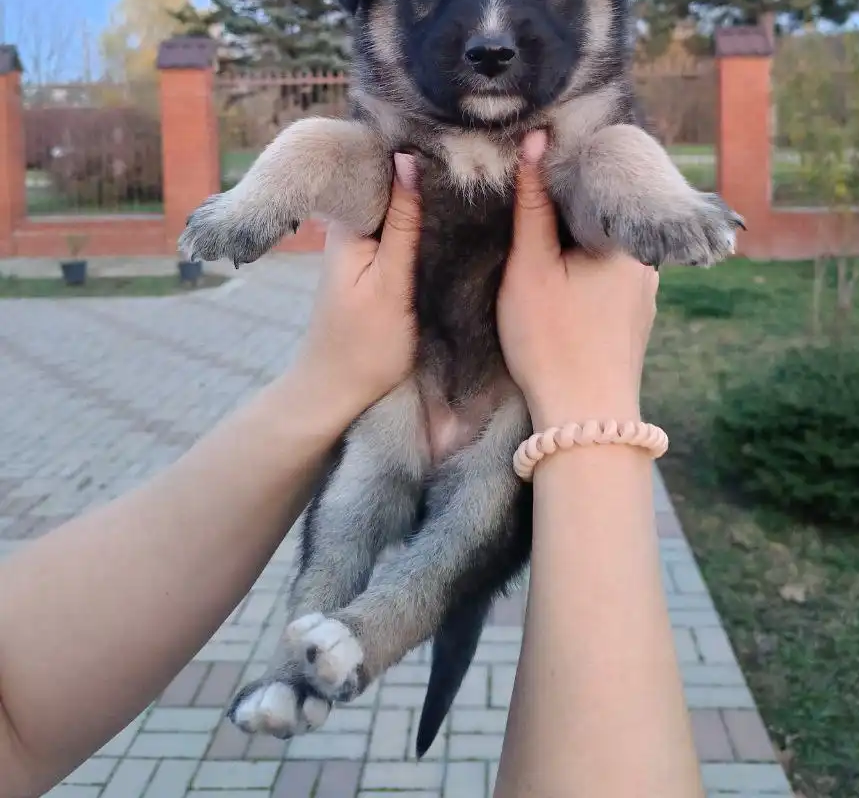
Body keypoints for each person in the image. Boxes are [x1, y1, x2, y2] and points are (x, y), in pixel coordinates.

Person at [0, 136, 703, 798]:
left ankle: (360, 639)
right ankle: (301, 660)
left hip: (503, 409)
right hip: (413, 383)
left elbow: (16, 704)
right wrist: (596, 407)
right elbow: (364, 171)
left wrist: (649, 194)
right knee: (353, 505)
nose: (492, 37)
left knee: (463, 527)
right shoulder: (401, 115)